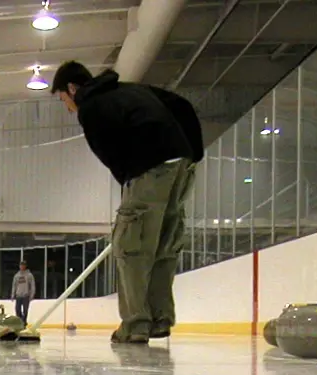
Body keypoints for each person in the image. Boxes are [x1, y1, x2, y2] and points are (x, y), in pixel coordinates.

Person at [51, 60, 204, 344]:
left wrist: (131, 182)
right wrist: (193, 153)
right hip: (181, 164)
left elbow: (110, 157)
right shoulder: (128, 89)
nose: (68, 107)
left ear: (72, 88)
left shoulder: (91, 107)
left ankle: (135, 324)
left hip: (150, 169)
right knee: (162, 245)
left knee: (131, 247)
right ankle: (160, 319)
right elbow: (181, 106)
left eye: (64, 100)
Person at [10, 261, 36, 326]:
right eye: (21, 265)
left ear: (25, 266)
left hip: (26, 295)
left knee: (25, 310)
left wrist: (32, 294)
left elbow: (32, 285)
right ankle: (20, 321)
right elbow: (14, 285)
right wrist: (13, 294)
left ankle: (24, 322)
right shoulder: (16, 276)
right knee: (17, 309)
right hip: (18, 295)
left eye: (23, 265)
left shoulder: (29, 275)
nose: (22, 266)